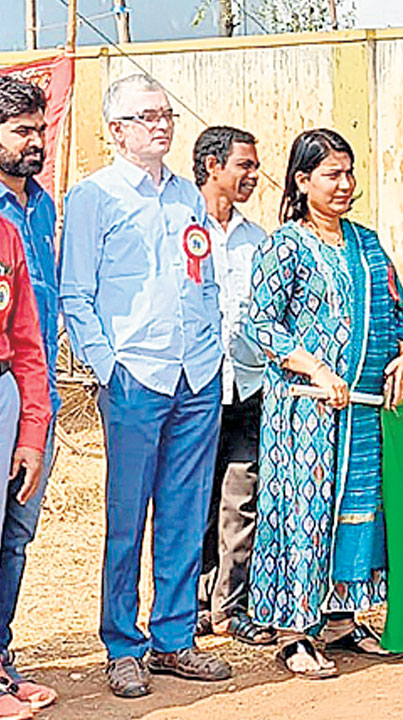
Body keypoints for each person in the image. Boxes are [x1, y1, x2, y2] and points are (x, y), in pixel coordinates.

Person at [60, 73, 231, 698]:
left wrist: (215, 353)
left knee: (186, 514)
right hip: (135, 375)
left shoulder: (189, 194)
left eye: (165, 115)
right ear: (116, 130)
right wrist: (107, 367)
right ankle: (122, 645)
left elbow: (203, 277)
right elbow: (75, 294)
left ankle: (174, 639)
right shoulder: (94, 197)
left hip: (197, 371)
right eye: (145, 116)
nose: (160, 125)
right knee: (127, 515)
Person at [245, 128, 403, 678]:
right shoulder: (285, 245)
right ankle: (296, 632)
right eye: (331, 175)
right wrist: (316, 366)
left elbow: (400, 310)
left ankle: (342, 619)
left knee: (358, 508)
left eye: (349, 174)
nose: (345, 185)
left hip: (365, 408)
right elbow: (259, 323)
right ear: (302, 181)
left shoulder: (367, 244)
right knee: (306, 511)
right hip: (306, 411)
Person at [190, 126, 275, 647]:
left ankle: (230, 605)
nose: (253, 175)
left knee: (240, 496)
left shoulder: (257, 239)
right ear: (211, 166)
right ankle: (189, 603)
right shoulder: (179, 226)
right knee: (191, 497)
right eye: (244, 165)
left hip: (247, 385)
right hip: (192, 385)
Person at [0, 76, 58, 714]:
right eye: (21, 130)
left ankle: (0, 658)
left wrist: (35, 423)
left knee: (14, 535)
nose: (35, 142)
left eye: (39, 129)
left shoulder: (36, 212)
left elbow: (31, 336)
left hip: (21, 397)